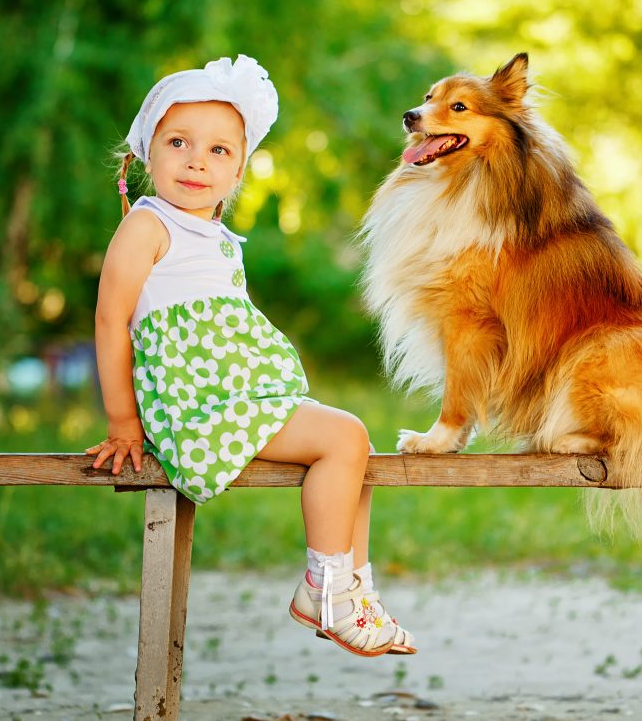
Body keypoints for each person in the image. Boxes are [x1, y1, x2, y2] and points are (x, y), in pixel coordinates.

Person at [87, 54, 415, 657]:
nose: (196, 161)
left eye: (219, 151)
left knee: (355, 449)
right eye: (179, 142)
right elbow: (112, 321)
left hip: (234, 402)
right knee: (347, 436)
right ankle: (325, 590)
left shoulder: (215, 239)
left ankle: (352, 591)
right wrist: (123, 420)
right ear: (146, 152)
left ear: (238, 169)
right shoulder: (148, 225)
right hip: (197, 413)